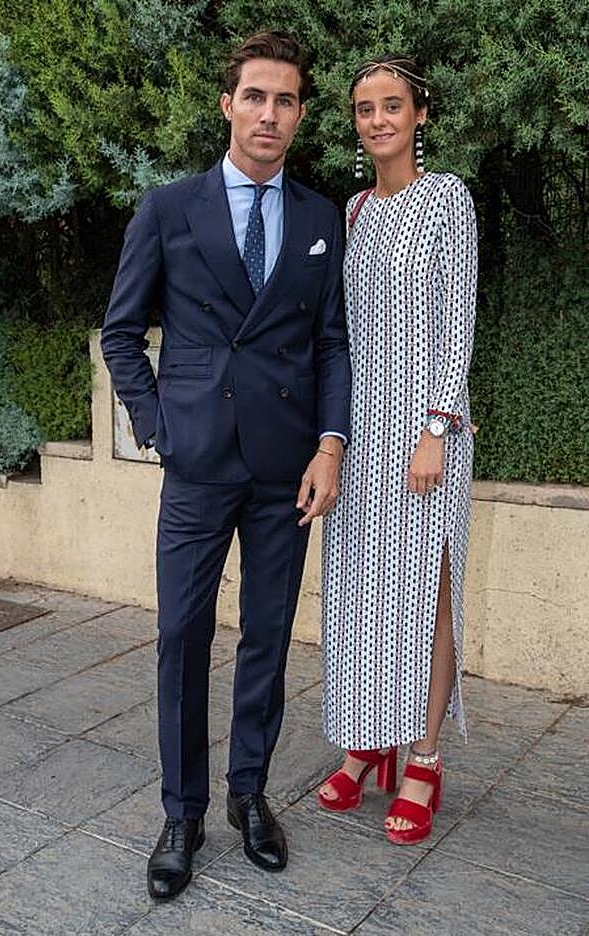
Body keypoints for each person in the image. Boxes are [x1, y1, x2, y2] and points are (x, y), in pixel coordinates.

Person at [101, 31, 350, 900]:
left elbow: (330, 345)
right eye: (256, 96)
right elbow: (122, 335)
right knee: (181, 637)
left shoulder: (322, 219)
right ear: (228, 104)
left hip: (287, 467)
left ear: (300, 114)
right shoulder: (169, 209)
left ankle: (249, 797)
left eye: (285, 100)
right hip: (198, 462)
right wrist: (159, 426)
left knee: (268, 639)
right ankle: (183, 811)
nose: (269, 114)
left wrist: (331, 445)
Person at [318, 54, 477, 845]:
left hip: (427, 435)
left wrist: (437, 427)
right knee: (363, 594)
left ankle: (424, 754)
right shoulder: (351, 213)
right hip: (364, 430)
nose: (377, 119)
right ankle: (367, 741)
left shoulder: (447, 198)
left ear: (420, 113)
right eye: (363, 108)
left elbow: (460, 320)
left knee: (429, 591)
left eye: (392, 105)